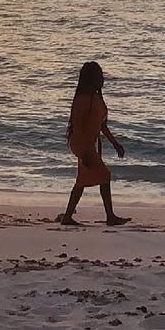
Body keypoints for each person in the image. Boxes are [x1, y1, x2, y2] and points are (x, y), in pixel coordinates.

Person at [57, 61, 130, 227]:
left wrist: (115, 144)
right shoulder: (83, 99)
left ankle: (67, 217)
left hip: (89, 144)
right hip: (81, 143)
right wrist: (84, 154)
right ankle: (110, 217)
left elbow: (102, 125)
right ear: (91, 79)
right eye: (99, 76)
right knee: (105, 176)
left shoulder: (96, 97)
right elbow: (77, 125)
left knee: (82, 181)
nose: (102, 79)